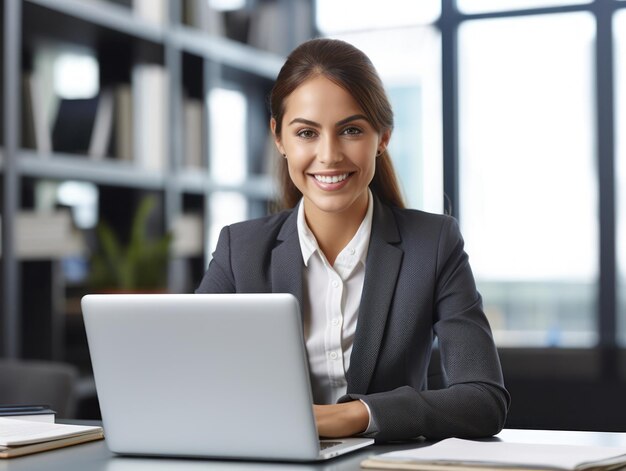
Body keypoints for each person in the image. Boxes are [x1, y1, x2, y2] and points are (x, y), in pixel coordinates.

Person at [197, 38, 510, 442]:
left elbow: (484, 401)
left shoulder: (433, 244)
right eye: (307, 133)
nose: (329, 155)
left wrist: (351, 417)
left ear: (382, 137)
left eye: (351, 130)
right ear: (279, 138)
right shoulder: (239, 250)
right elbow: (194, 379)